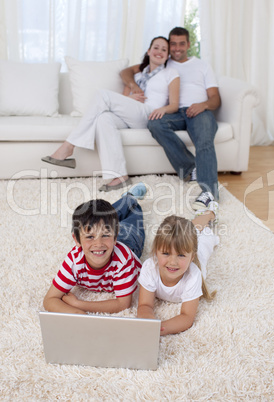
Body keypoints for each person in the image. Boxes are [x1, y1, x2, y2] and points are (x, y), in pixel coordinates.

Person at [41, 36, 180, 192]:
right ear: (148, 51)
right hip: (132, 113)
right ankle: (119, 176)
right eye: (156, 47)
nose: (159, 52)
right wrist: (129, 98)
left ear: (168, 55)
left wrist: (163, 109)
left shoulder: (171, 73)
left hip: (149, 113)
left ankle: (69, 146)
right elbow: (122, 98)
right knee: (103, 118)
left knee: (102, 95)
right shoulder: (138, 73)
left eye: (164, 49)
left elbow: (174, 105)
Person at [120, 27, 221, 209]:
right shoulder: (163, 62)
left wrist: (203, 105)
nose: (176, 48)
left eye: (181, 43)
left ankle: (209, 194)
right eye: (172, 44)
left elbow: (215, 99)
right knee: (155, 123)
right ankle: (190, 168)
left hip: (199, 111)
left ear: (188, 45)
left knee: (204, 141)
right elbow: (126, 71)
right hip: (174, 113)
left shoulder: (202, 65)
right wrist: (134, 86)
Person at [43, 182, 147, 314]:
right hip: (111, 237)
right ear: (77, 240)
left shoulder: (123, 259)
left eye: (104, 235)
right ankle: (117, 209)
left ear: (115, 237)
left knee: (134, 212)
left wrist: (79, 304)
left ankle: (130, 197)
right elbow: (49, 299)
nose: (98, 243)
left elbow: (123, 304)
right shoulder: (74, 260)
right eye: (90, 237)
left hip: (128, 238)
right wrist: (76, 314)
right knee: (104, 218)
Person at [137, 202, 219, 336]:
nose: (173, 262)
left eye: (180, 255)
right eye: (165, 253)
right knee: (188, 231)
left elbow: (187, 317)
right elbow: (144, 305)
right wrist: (149, 323)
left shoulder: (194, 275)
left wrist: (159, 329)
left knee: (206, 235)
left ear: (192, 257)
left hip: (199, 250)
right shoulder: (149, 267)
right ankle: (200, 218)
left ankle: (210, 213)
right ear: (156, 251)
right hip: (185, 244)